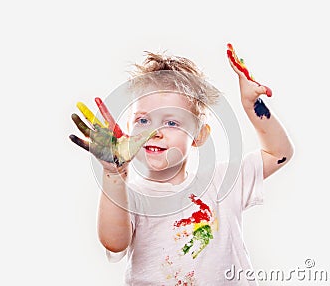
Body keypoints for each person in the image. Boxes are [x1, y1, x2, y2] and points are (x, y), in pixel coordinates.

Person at [70, 45, 294, 285]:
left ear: (199, 135)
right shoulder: (129, 196)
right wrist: (113, 174)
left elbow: (279, 153)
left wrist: (254, 106)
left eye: (172, 122)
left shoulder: (223, 182)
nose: (154, 132)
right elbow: (113, 242)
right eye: (143, 120)